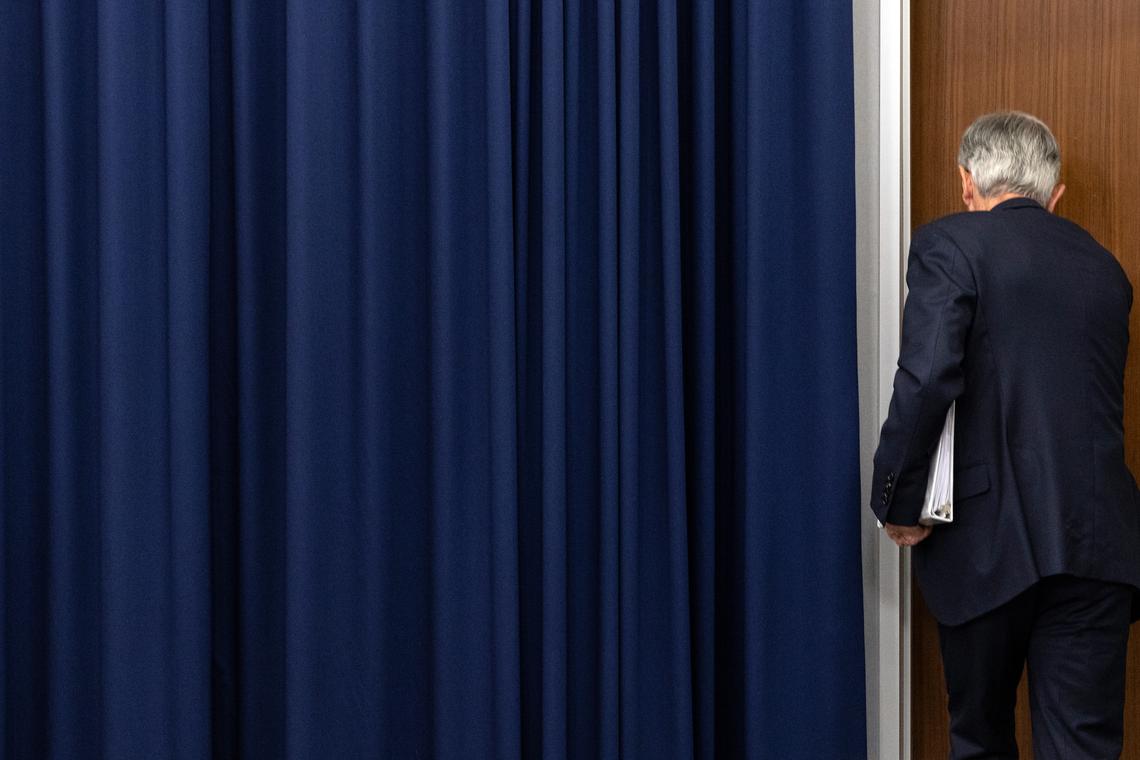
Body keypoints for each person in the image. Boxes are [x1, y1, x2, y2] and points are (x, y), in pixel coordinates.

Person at [870, 111, 1140, 759]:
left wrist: (898, 502)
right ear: (1055, 194)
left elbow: (929, 375)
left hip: (987, 540)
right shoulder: (1106, 271)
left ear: (969, 182)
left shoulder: (949, 244)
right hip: (1099, 546)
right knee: (1083, 745)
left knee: (981, 740)